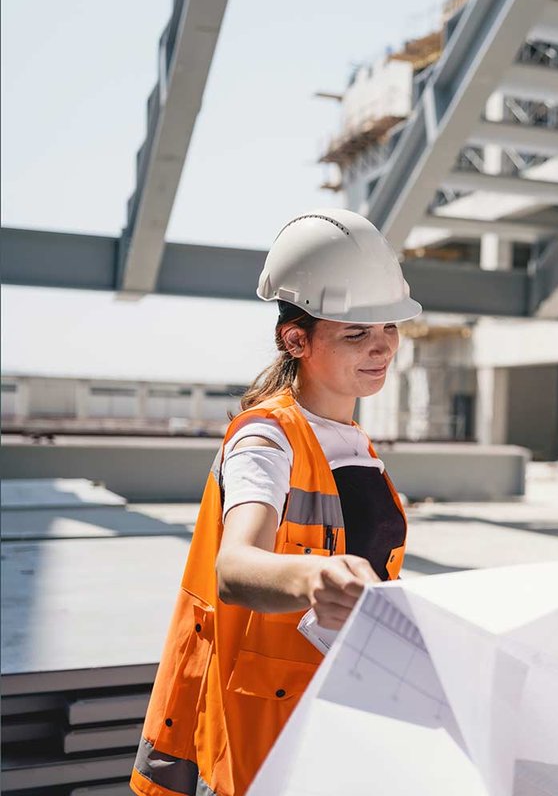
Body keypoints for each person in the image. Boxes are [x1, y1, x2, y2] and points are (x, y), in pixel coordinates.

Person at [131, 208, 423, 796]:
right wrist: (318, 576)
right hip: (255, 734)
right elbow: (236, 569)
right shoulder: (264, 440)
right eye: (355, 333)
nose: (382, 346)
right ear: (296, 338)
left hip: (327, 713)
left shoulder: (356, 445)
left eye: (389, 326)